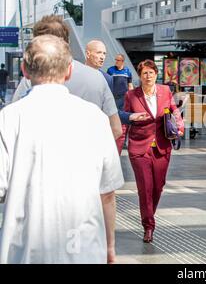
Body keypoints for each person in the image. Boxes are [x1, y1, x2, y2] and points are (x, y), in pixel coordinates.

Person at [0, 34, 124, 263]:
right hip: (83, 250)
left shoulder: (8, 120)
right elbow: (107, 193)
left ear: (25, 71)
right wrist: (110, 247)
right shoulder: (95, 119)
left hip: (22, 252)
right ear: (69, 71)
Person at [11, 15, 122, 140]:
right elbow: (116, 129)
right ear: (68, 42)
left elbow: (14, 127)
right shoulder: (97, 77)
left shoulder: (30, 80)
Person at [121, 59, 184, 243]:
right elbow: (125, 120)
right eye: (144, 73)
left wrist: (179, 126)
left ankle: (149, 215)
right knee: (145, 188)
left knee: (158, 186)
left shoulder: (165, 91)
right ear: (140, 76)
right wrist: (118, 142)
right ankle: (148, 226)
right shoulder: (131, 95)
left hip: (162, 145)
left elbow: (174, 110)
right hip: (139, 147)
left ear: (156, 74)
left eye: (151, 73)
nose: (148, 76)